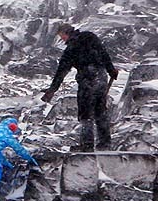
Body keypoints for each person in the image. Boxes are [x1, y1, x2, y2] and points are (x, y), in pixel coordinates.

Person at [41, 23, 118, 151]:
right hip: (101, 76)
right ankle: (105, 143)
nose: (62, 39)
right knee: (100, 111)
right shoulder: (90, 37)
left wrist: (52, 90)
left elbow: (61, 71)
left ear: (66, 33)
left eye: (62, 36)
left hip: (87, 79)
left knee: (86, 114)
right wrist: (111, 70)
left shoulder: (71, 48)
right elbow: (104, 53)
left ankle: (87, 146)